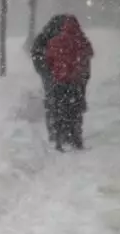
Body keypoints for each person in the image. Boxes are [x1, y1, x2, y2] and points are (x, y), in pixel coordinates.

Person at [40, 15, 93, 151]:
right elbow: (89, 53)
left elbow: (49, 60)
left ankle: (58, 141)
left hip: (59, 82)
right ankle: (76, 140)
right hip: (75, 83)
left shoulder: (55, 41)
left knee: (59, 111)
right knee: (75, 112)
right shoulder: (81, 41)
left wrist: (56, 71)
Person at [30, 14, 66, 143]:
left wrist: (44, 70)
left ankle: (54, 131)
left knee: (52, 103)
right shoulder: (61, 37)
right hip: (59, 75)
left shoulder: (43, 37)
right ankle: (61, 131)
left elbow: (35, 54)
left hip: (50, 75)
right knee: (61, 103)